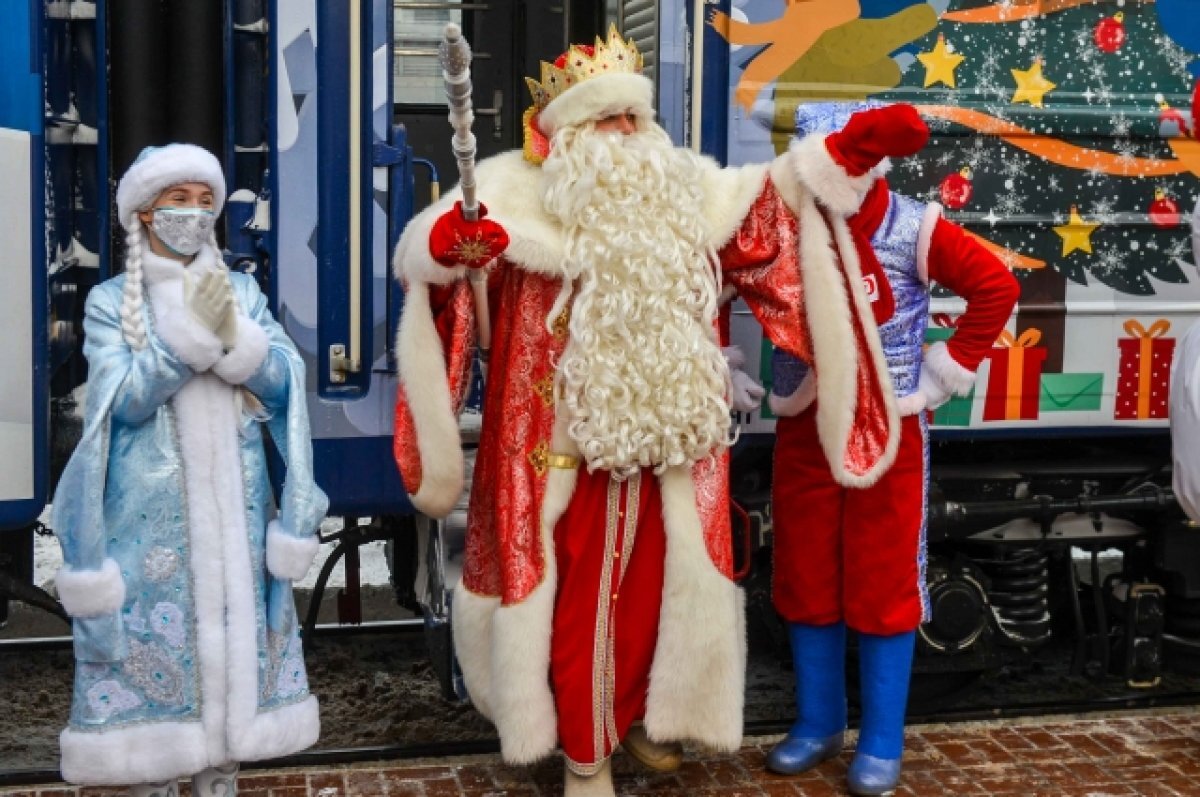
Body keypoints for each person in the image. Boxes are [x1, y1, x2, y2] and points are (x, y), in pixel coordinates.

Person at [392, 27, 926, 796]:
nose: (626, 133)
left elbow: (767, 210)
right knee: (578, 619)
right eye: (607, 120)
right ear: (566, 134)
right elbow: (440, 275)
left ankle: (634, 718)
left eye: (633, 118)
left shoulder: (681, 191)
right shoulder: (508, 192)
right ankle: (586, 756)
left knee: (648, 610)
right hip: (559, 467)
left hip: (666, 455)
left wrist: (838, 157)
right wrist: (451, 245)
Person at [50, 143, 328, 795]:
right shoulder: (110, 301)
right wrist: (192, 341)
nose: (195, 214)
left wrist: (242, 349)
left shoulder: (244, 292)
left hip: (237, 518)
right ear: (145, 214)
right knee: (157, 701)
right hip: (150, 527)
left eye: (206, 202)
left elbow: (286, 382)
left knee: (230, 696)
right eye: (179, 201)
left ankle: (221, 779)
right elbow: (122, 401)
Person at [766, 102, 1020, 796]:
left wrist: (942, 375)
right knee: (806, 577)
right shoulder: (783, 220)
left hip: (888, 434)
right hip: (803, 428)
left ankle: (881, 737)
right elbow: (719, 275)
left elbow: (996, 286)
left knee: (883, 583)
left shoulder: (913, 225)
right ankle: (819, 722)